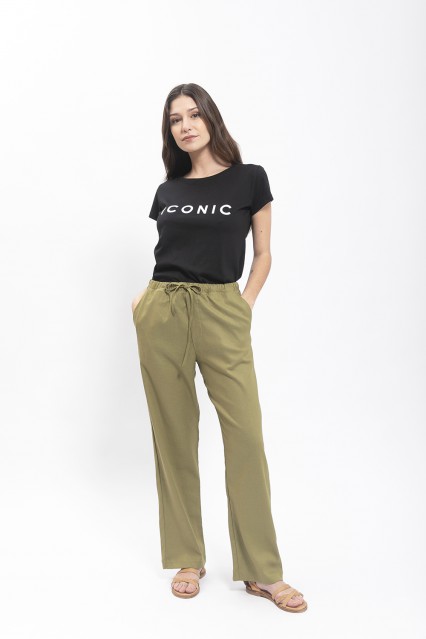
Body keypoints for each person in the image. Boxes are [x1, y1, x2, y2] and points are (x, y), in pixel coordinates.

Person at [131, 83, 307, 613]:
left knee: (245, 435)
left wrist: (243, 306)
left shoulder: (250, 179)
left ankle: (262, 570)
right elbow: (169, 252)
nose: (185, 126)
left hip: (223, 308)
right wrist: (144, 301)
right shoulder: (168, 189)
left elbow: (264, 254)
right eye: (174, 119)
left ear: (211, 118)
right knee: (174, 434)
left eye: (193, 115)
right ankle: (188, 557)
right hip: (163, 309)